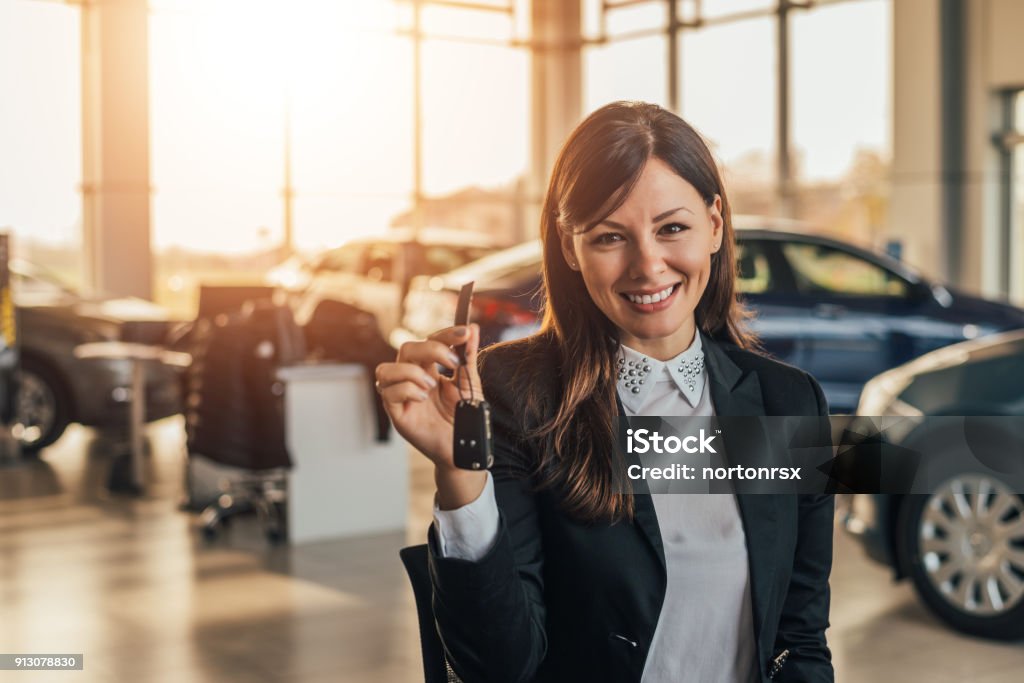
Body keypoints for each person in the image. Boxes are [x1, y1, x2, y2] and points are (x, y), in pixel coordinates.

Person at [375, 101, 834, 683]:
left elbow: (801, 638)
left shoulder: (792, 402)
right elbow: (498, 668)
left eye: (673, 228)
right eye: (610, 237)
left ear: (715, 224)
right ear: (569, 247)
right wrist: (461, 472)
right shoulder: (511, 397)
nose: (648, 266)